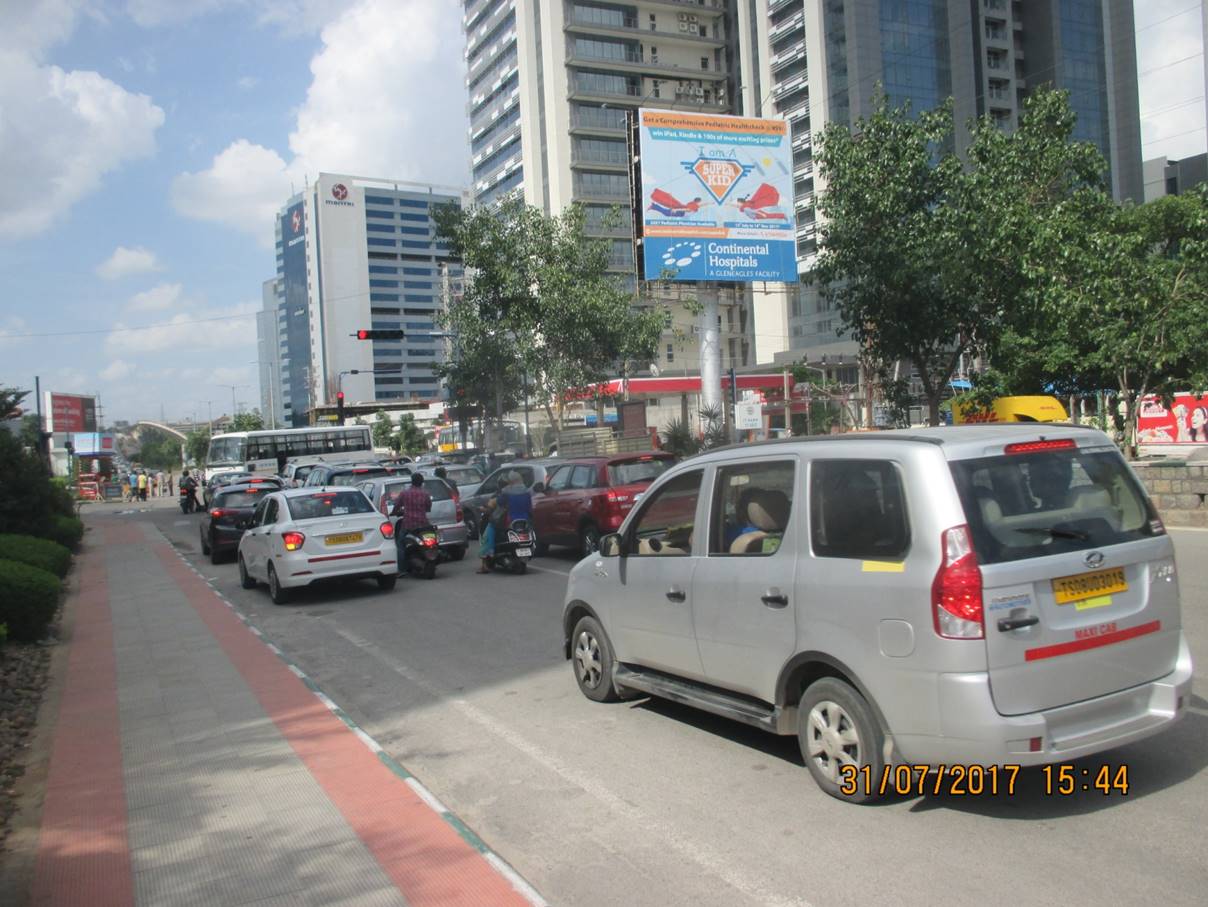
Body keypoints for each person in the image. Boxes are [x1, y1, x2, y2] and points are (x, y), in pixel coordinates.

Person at [390, 473, 433, 575]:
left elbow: (396, 506)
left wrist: (394, 513)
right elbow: (428, 508)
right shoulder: (425, 494)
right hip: (423, 524)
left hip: (408, 525)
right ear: (421, 483)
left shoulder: (405, 493)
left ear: (412, 481)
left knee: (400, 544)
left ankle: (402, 570)